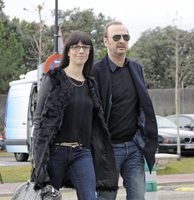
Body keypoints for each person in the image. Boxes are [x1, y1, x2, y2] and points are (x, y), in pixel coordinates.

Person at [31, 31, 118, 200]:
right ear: (68, 52)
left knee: (89, 197)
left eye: (85, 47)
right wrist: (37, 156)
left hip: (82, 152)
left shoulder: (91, 84)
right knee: (48, 197)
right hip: (56, 152)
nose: (81, 51)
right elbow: (39, 118)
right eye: (76, 47)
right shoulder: (54, 78)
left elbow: (96, 122)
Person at [93, 21, 158, 200]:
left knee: (138, 197)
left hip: (134, 147)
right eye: (116, 37)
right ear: (106, 41)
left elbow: (143, 106)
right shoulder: (96, 71)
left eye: (125, 37)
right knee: (106, 197)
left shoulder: (136, 68)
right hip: (108, 149)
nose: (122, 41)